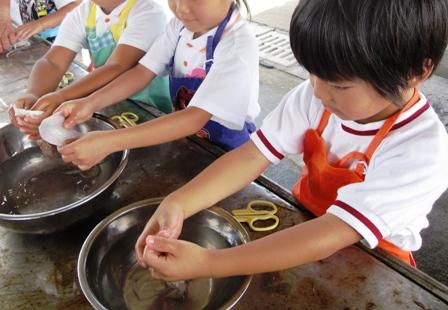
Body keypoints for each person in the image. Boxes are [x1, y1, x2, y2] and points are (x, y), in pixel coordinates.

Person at [135, 0, 448, 281]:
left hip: (379, 264)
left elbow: (336, 229)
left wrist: (209, 263)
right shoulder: (315, 99)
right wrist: (178, 202)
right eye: (310, 72)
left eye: (339, 86)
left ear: (415, 72)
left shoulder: (422, 150)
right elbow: (252, 155)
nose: (318, 92)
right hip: (304, 224)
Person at [45, 0, 259, 170]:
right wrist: (89, 103)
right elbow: (142, 72)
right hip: (188, 139)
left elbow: (195, 117)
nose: (181, 7)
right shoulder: (178, 28)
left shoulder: (236, 46)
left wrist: (109, 142)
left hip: (229, 154)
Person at [9, 0, 172, 138]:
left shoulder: (148, 10)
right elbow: (52, 62)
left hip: (150, 108)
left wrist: (61, 97)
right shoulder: (84, 12)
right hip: (104, 101)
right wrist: (34, 94)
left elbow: (117, 67)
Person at [0, 0, 80, 52]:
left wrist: (40, 24)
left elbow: (76, 6)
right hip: (37, 43)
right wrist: (4, 19)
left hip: (64, 44)